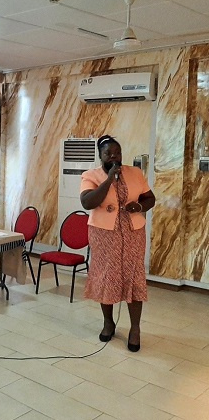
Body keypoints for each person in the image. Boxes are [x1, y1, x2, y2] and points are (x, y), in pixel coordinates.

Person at [80, 135, 155, 352]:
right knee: (107, 276)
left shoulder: (135, 173)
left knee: (133, 276)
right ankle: (108, 322)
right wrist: (109, 179)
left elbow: (150, 199)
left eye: (117, 153)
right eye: (108, 153)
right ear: (100, 155)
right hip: (104, 234)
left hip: (133, 232)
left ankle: (135, 329)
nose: (114, 157)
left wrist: (139, 207)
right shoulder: (90, 175)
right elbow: (87, 202)